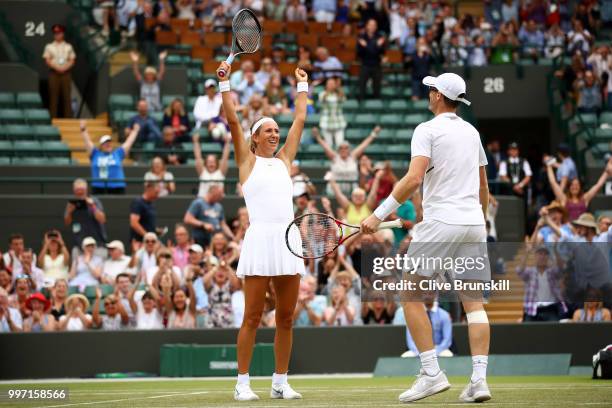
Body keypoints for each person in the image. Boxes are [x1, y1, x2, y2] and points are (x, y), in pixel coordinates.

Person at [361, 73, 492, 403]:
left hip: (442, 221)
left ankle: (432, 372)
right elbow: (483, 189)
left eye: (431, 90)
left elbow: (413, 179)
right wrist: (479, 223)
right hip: (474, 222)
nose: (428, 93)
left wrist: (378, 215)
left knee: (410, 295)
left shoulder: (426, 130)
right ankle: (479, 380)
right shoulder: (472, 132)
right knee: (474, 305)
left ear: (438, 96)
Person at [216, 60, 308, 400]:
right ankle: (242, 383)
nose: (275, 133)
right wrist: (224, 85)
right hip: (259, 240)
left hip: (288, 240)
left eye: (275, 130)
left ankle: (280, 382)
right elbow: (233, 120)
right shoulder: (246, 161)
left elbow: (299, 119)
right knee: (252, 316)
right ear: (254, 138)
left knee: (285, 318)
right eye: (268, 130)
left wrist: (302, 87)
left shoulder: (284, 161)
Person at [314, 126, 380, 197]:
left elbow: (363, 145)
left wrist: (373, 134)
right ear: (338, 150)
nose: (343, 150)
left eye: (346, 148)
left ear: (349, 149)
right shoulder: (335, 158)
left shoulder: (353, 157)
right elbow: (325, 147)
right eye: (341, 148)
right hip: (335, 193)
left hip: (352, 191)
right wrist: (318, 137)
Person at [81, 120, 140, 194]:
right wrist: (83, 130)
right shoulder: (95, 153)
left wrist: (135, 131)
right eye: (105, 143)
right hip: (98, 187)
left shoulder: (117, 153)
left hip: (117, 187)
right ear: (101, 145)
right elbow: (87, 142)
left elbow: (129, 142)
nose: (108, 144)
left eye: (109, 142)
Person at [546, 157, 612, 221]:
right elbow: (553, 183)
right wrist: (549, 165)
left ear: (580, 187)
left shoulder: (585, 198)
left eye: (577, 185)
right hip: (567, 230)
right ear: (569, 188)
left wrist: (606, 172)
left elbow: (598, 185)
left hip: (582, 229)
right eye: (572, 185)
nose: (574, 187)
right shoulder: (564, 199)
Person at [517, 241, 566, 322]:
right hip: (532, 309)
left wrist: (555, 250)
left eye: (545, 254)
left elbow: (561, 268)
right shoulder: (530, 272)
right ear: (535, 256)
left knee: (555, 332)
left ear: (548, 257)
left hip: (551, 309)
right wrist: (527, 252)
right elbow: (520, 271)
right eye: (540, 254)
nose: (542, 257)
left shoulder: (552, 272)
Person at [43, 24, 76, 118]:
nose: (57, 35)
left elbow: (72, 60)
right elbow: (47, 60)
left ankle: (69, 119)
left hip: (66, 74)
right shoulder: (49, 46)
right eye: (55, 33)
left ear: (63, 34)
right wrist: (57, 68)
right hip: (54, 73)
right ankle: (52, 119)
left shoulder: (68, 46)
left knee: (67, 97)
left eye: (59, 33)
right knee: (53, 97)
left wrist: (64, 68)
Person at [64, 178, 107, 246]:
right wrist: (69, 212)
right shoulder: (71, 203)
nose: (80, 192)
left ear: (86, 190)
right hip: (78, 244)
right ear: (74, 190)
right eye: (77, 190)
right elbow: (67, 223)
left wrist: (92, 206)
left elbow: (102, 220)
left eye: (82, 190)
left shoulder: (94, 201)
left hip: (97, 243)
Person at [193, 131, 230, 197]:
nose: (211, 164)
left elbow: (225, 157)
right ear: (206, 163)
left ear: (216, 163)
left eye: (213, 162)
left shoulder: (220, 172)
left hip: (219, 201)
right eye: (209, 162)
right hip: (203, 200)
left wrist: (227, 142)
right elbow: (198, 157)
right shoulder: (202, 172)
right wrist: (196, 142)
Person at [204, 262, 241, 328]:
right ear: (214, 274)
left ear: (227, 275)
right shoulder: (211, 286)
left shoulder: (229, 287)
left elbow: (236, 283)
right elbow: (204, 281)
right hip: (212, 321)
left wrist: (227, 267)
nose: (220, 273)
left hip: (227, 321)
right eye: (218, 271)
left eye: (223, 271)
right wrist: (215, 268)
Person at [357, 19, 386, 100]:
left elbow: (382, 52)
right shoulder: (361, 37)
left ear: (376, 27)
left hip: (376, 65)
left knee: (377, 88)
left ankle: (376, 105)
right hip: (365, 64)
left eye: (374, 25)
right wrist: (376, 45)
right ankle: (361, 105)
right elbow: (359, 53)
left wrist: (366, 46)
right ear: (367, 26)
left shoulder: (380, 37)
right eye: (370, 25)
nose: (372, 27)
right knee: (362, 87)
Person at [129, 178, 161, 243]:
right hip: (139, 242)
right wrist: (147, 236)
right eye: (156, 192)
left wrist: (155, 230)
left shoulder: (151, 204)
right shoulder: (138, 202)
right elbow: (134, 223)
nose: (157, 195)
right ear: (149, 189)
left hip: (149, 242)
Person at [318, 77, 347, 147]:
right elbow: (322, 100)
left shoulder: (339, 94)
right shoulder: (322, 94)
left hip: (339, 123)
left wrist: (338, 87)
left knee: (340, 145)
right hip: (326, 123)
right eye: (329, 83)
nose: (331, 85)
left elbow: (343, 99)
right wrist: (329, 90)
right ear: (326, 85)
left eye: (332, 83)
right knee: (328, 146)